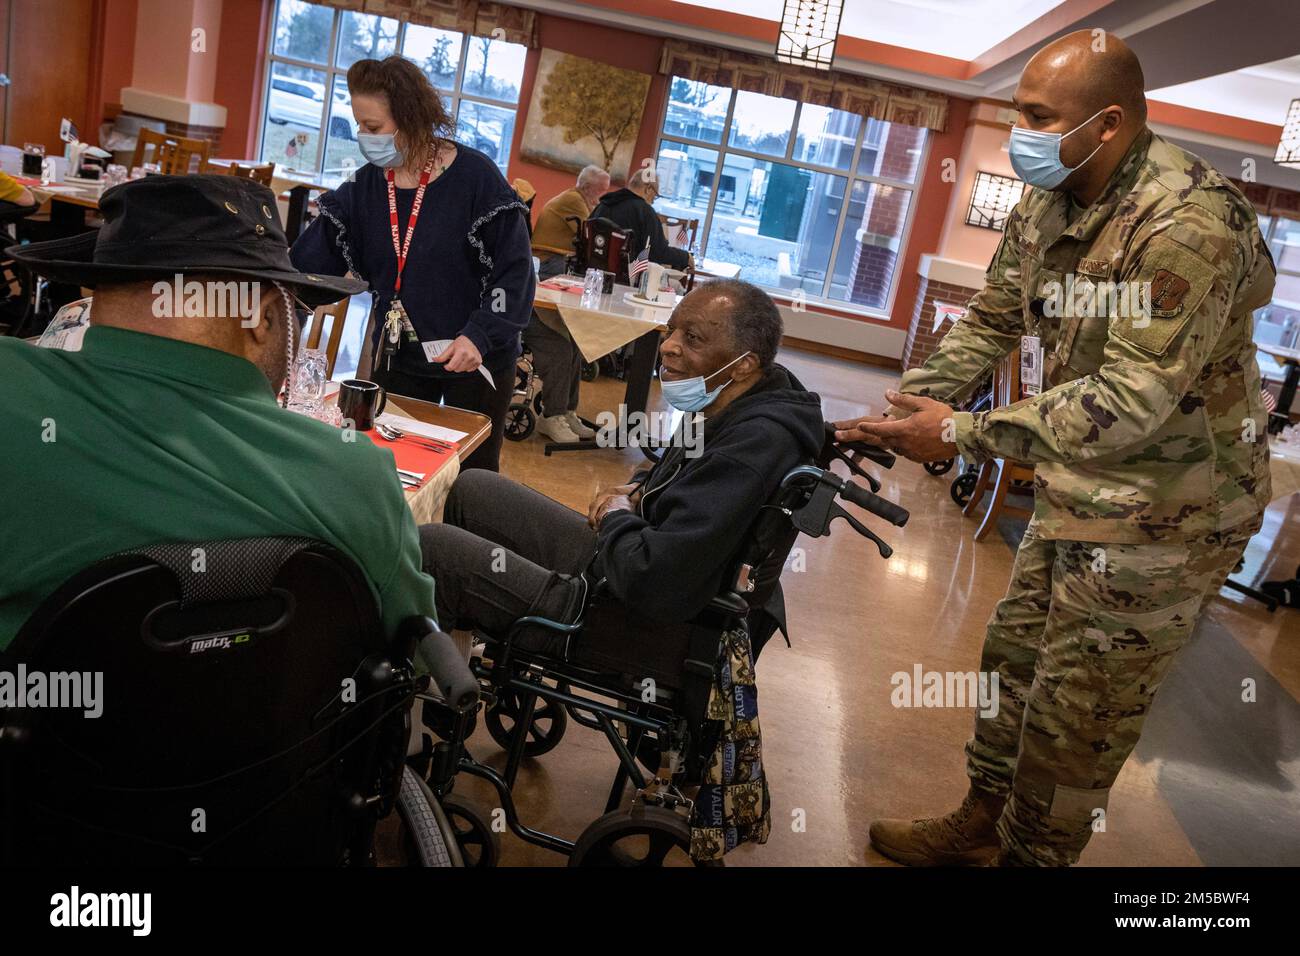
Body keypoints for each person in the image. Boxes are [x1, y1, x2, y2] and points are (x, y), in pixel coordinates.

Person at [835, 30, 1276, 867]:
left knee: (1083, 707)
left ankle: (1032, 858)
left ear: (1106, 124)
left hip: (1170, 512)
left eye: (1038, 115)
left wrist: (959, 431)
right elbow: (998, 316)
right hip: (1086, 482)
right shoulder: (1052, 196)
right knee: (1012, 661)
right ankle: (981, 819)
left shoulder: (1188, 224)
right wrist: (914, 398)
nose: (1019, 130)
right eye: (1017, 112)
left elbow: (1131, 399)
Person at [0, 174, 444, 645]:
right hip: (280, 717)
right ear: (265, 318)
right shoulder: (359, 480)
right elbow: (410, 652)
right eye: (296, 309)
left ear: (94, 293)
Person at [419, 280, 823, 654]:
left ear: (743, 365)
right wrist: (637, 489)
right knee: (475, 487)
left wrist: (615, 517)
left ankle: (434, 677)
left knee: (434, 547)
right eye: (673, 330)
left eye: (692, 338)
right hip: (628, 558)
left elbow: (656, 577)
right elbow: (676, 475)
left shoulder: (749, 449)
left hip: (625, 612)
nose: (669, 346)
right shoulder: (735, 402)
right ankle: (457, 659)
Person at [290, 56, 535, 473]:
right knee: (386, 468)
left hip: (476, 361)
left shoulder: (476, 178)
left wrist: (480, 335)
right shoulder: (366, 185)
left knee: (470, 480)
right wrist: (277, 296)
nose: (363, 137)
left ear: (412, 119)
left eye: (373, 128)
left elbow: (514, 272)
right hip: (398, 357)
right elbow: (306, 264)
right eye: (359, 125)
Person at [526, 165, 611, 444]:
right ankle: (552, 416)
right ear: (588, 189)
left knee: (573, 344)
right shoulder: (574, 200)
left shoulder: (572, 198)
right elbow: (595, 233)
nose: (600, 200)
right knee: (561, 346)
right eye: (600, 194)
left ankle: (566, 411)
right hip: (546, 271)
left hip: (552, 269)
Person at [590, 164, 691, 275]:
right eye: (655, 196)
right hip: (625, 278)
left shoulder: (603, 204)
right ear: (648, 189)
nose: (653, 201)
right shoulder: (645, 212)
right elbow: (657, 253)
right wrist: (686, 257)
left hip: (591, 270)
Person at [531, 164, 610, 259]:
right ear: (587, 187)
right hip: (549, 257)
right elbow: (589, 234)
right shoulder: (574, 199)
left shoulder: (578, 198)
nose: (603, 196)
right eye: (601, 190)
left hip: (553, 256)